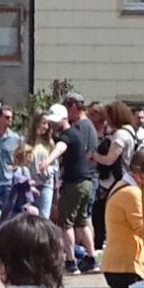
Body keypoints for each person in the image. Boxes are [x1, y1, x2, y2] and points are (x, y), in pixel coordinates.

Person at [100, 148, 144, 288]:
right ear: (138, 174)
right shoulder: (131, 193)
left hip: (124, 264)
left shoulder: (127, 187)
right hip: (124, 266)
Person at [54, 98, 97, 267]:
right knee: (82, 221)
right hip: (86, 181)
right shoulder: (78, 132)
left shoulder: (67, 135)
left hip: (73, 183)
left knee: (66, 223)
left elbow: (61, 147)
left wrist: (47, 160)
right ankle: (91, 257)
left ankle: (70, 261)